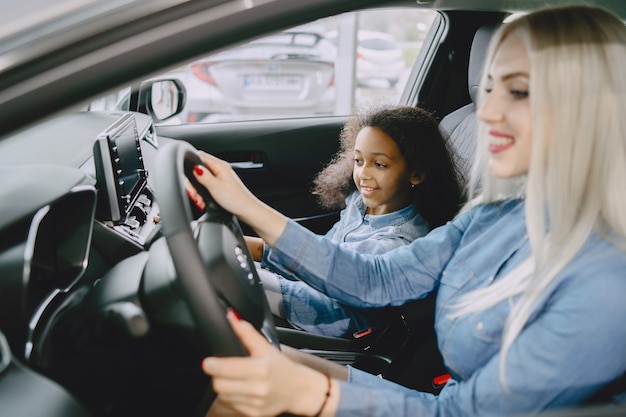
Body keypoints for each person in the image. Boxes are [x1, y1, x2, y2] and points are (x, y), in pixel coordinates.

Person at [192, 5, 626, 416]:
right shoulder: (498, 215)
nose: (488, 111)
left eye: (518, 92)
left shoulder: (605, 285)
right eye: (490, 87)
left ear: (586, 108)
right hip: (440, 398)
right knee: (240, 371)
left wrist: (318, 394)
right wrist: (242, 202)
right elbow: (375, 279)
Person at [242, 105, 465, 338]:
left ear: (416, 174)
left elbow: (326, 281)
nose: (363, 174)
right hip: (310, 292)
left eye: (379, 164)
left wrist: (257, 257)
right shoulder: (359, 204)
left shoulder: (397, 242)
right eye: (358, 161)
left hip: (333, 322)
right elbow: (321, 254)